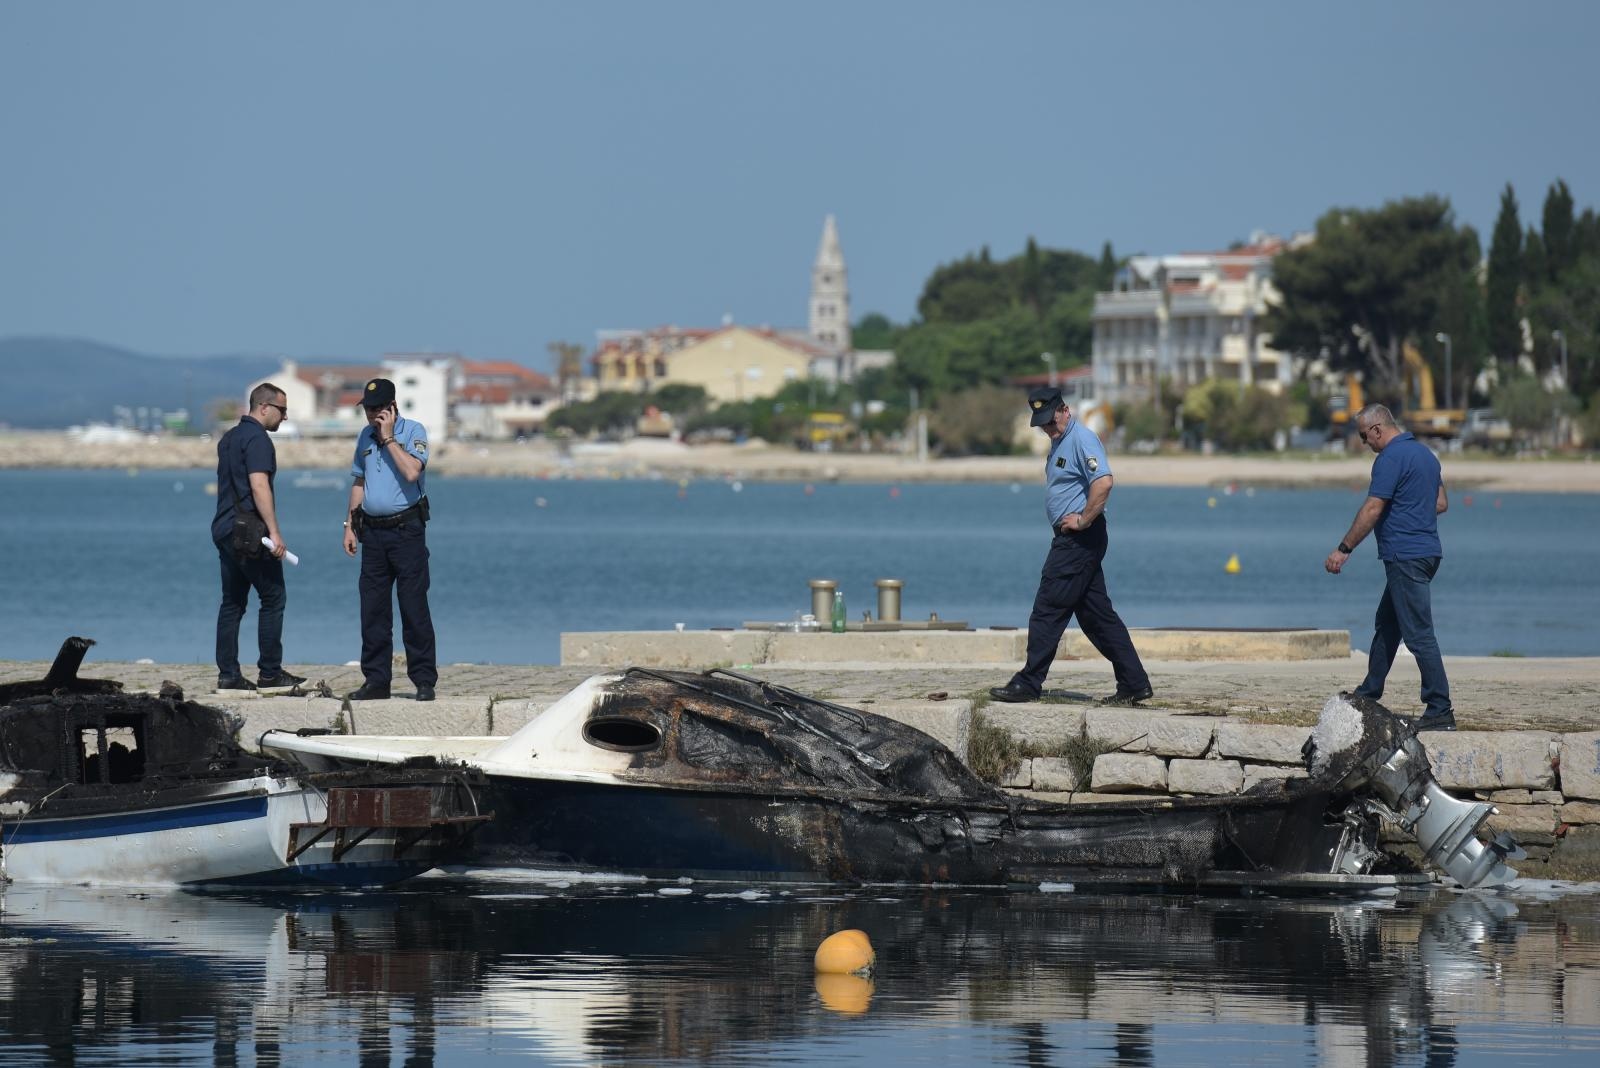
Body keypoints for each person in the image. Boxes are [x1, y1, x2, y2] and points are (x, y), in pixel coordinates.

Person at [990, 386, 1153, 705]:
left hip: (1079, 539)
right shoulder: (1062, 441)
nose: (1049, 428)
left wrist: (1083, 521)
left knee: (1048, 607)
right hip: (1076, 540)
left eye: (1052, 421)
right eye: (1043, 424)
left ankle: (1029, 682)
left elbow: (1103, 482)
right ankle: (1134, 683)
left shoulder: (1081, 438)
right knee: (1097, 617)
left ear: (1065, 410)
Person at [1325, 403, 1454, 730]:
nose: (1365, 444)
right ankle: (1368, 692)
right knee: (1388, 623)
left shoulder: (1390, 459)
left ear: (1378, 429)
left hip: (1406, 555)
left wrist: (1344, 549)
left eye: (1364, 436)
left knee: (1419, 634)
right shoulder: (1426, 455)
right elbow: (1440, 502)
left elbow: (1372, 509)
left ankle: (1440, 709)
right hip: (1428, 553)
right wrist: (1411, 509)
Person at [342, 378, 437, 701]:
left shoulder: (414, 432)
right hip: (373, 533)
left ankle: (424, 680)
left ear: (391, 407)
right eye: (367, 409)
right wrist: (349, 525)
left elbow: (412, 472)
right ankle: (376, 680)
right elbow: (359, 481)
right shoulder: (364, 437)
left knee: (413, 606)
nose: (371, 416)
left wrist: (389, 439)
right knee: (373, 609)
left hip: (406, 532)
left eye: (376, 409)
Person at [211, 382, 305, 691]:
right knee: (274, 597)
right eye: (283, 410)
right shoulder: (258, 440)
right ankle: (270, 672)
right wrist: (275, 532)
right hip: (251, 532)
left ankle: (228, 674)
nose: (285, 417)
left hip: (224, 528)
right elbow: (258, 485)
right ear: (264, 408)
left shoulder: (229, 439)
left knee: (232, 602)